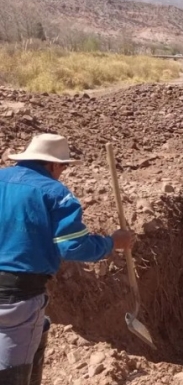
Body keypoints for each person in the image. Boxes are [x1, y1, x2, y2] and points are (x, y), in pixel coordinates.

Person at [0, 133, 135, 384]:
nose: (62, 172)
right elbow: (72, 247)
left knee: (40, 328)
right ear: (53, 164)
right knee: (10, 369)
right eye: (63, 166)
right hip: (16, 295)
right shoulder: (55, 193)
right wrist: (112, 243)